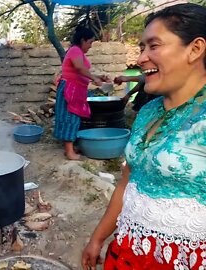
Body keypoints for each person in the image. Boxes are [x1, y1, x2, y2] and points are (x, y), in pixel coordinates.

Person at [82, 3, 206, 270]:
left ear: (195, 49)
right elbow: (127, 183)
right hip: (127, 252)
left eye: (153, 45)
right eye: (141, 48)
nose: (140, 59)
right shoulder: (148, 111)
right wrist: (98, 238)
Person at [54, 27, 110, 160]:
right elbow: (79, 68)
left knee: (73, 117)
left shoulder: (77, 51)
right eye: (90, 42)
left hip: (75, 89)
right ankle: (69, 152)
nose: (90, 46)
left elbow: (81, 71)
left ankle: (70, 147)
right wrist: (94, 78)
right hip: (70, 90)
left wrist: (98, 77)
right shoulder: (75, 50)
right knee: (70, 117)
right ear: (82, 40)